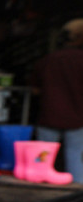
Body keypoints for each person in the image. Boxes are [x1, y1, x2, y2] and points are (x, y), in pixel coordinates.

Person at [30, 18, 83, 183]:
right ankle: (77, 201)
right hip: (77, 120)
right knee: (76, 161)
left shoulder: (48, 60)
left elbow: (35, 90)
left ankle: (38, 198)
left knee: (42, 163)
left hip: (49, 117)